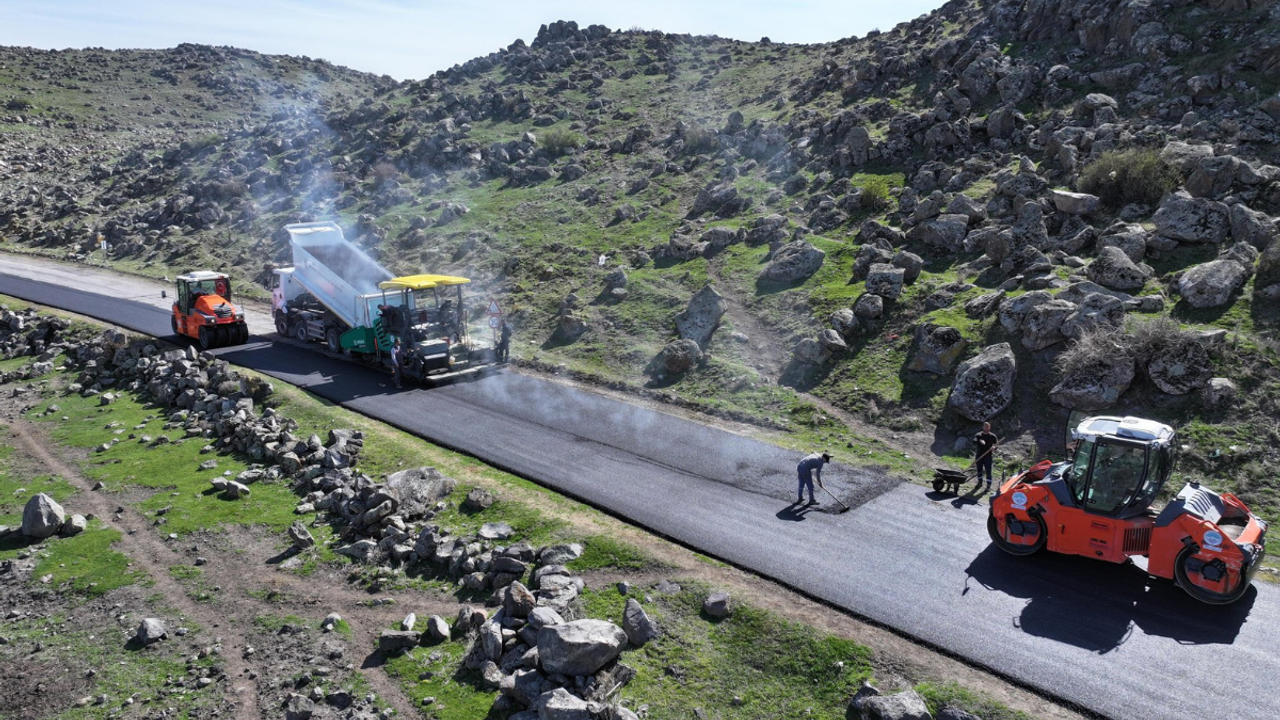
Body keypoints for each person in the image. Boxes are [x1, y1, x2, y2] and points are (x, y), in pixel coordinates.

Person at [974, 422, 998, 489]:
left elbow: (996, 444)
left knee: (988, 471)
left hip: (988, 456)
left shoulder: (992, 436)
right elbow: (974, 441)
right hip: (979, 456)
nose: (986, 428)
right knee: (979, 470)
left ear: (989, 427)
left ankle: (988, 485)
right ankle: (980, 483)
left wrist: (994, 447)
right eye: (985, 426)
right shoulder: (979, 435)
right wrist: (980, 441)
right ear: (983, 427)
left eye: (987, 426)